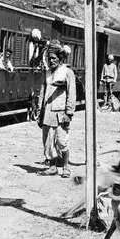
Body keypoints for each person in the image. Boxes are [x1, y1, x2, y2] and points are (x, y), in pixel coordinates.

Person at [36, 41, 76, 178]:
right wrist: (39, 112)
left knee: (62, 141)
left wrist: (69, 113)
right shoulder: (46, 73)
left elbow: (72, 94)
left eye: (53, 58)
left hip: (61, 114)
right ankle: (52, 167)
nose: (51, 61)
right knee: (48, 142)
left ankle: (65, 167)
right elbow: (42, 92)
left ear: (60, 58)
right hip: (47, 113)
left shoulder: (67, 72)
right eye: (49, 58)